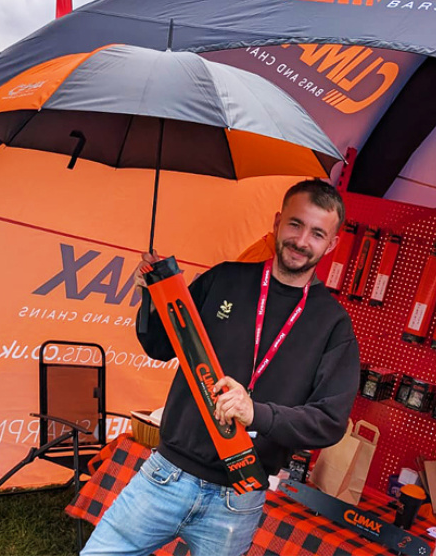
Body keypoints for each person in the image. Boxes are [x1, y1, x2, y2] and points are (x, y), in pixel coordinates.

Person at [80, 179, 360, 556]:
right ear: (277, 222)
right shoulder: (225, 278)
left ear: (332, 244)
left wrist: (256, 413)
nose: (301, 240)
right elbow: (160, 346)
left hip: (237, 501)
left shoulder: (333, 325)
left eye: (317, 233)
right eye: (295, 224)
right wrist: (151, 294)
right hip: (166, 475)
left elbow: (329, 421)